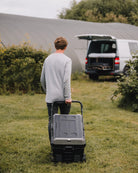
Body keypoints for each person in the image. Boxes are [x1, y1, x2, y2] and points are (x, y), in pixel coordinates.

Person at [40, 37, 72, 141]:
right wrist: (67, 97)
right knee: (64, 121)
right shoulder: (67, 60)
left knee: (52, 121)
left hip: (51, 97)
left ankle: (53, 145)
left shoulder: (47, 59)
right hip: (63, 97)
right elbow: (66, 80)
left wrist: (47, 91)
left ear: (55, 46)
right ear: (65, 47)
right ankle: (63, 143)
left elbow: (42, 80)